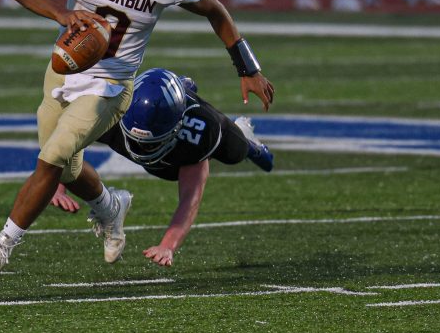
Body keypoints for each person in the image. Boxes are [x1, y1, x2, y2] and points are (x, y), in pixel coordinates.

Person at [0, 0, 275, 277]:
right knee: (66, 168)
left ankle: (1, 247)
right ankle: (111, 206)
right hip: (64, 68)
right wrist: (62, 16)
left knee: (52, 157)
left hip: (112, 85)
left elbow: (217, 12)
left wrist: (248, 68)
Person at [50, 68, 274, 266]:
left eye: (150, 142)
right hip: (154, 140)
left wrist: (168, 245)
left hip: (177, 156)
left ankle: (248, 140)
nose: (141, 146)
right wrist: (60, 185)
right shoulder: (111, 111)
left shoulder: (199, 131)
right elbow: (67, 145)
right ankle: (183, 85)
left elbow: (190, 198)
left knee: (235, 151)